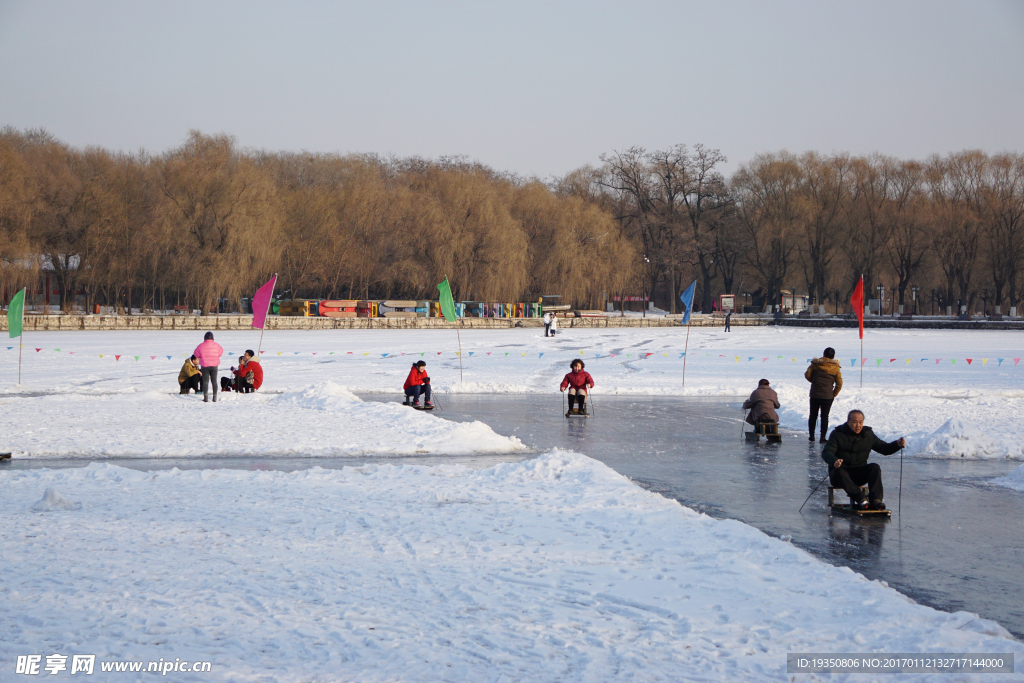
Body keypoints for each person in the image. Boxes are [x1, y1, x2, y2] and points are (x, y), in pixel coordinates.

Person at [821, 410, 906, 511]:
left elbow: (884, 448)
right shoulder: (837, 434)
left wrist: (896, 445)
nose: (858, 425)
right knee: (840, 472)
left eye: (861, 422)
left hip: (858, 474)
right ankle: (861, 499)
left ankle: (876, 500)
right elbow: (827, 452)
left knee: (874, 467)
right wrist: (834, 461)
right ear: (848, 422)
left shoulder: (867, 434)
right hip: (839, 476)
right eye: (855, 422)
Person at [805, 347, 843, 442]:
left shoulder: (815, 364)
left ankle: (812, 436)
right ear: (833, 356)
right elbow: (839, 384)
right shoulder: (836, 368)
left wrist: (814, 381)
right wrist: (833, 394)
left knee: (813, 415)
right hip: (827, 396)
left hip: (814, 394)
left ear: (823, 354)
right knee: (825, 416)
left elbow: (807, 375)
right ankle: (822, 437)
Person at [193, 331, 224, 403]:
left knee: (205, 381)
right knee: (214, 381)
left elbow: (196, 354)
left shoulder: (201, 345)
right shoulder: (216, 345)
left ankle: (206, 397)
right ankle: (214, 397)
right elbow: (220, 353)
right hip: (214, 365)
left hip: (204, 365)